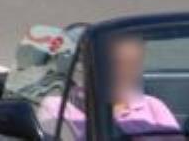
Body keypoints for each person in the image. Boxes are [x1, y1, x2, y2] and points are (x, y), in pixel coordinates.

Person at [38, 34, 180, 140]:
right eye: (115, 63)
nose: (123, 73)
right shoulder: (57, 108)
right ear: (91, 63)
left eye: (132, 65)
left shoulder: (154, 107)